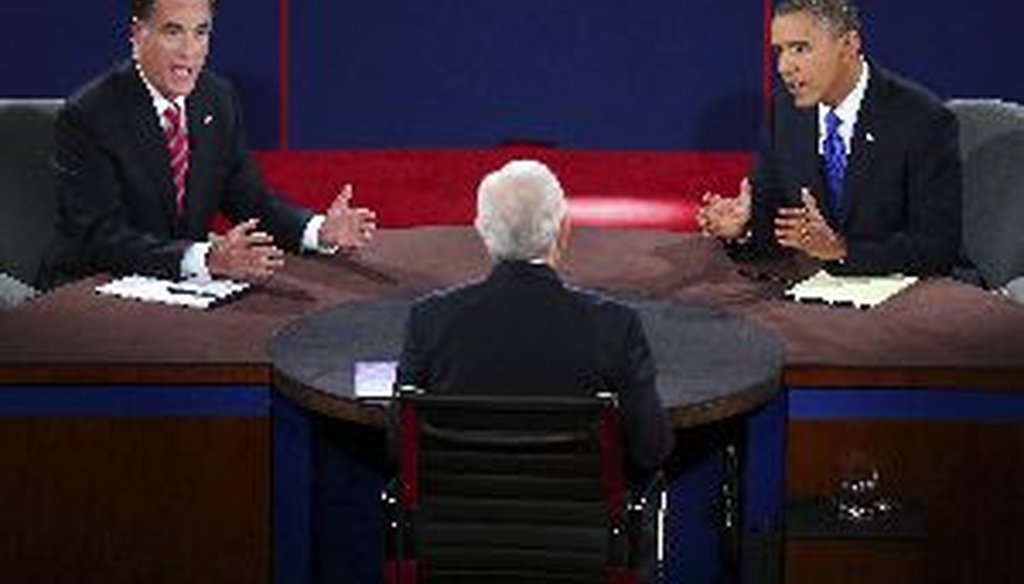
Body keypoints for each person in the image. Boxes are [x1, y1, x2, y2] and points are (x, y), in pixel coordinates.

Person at [40, 0, 376, 288]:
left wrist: (318, 231)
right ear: (137, 34)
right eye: (173, 31)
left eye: (200, 32)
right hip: (90, 288)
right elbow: (100, 237)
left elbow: (251, 201)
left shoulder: (216, 98)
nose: (189, 51)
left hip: (176, 287)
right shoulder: (90, 113)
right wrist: (205, 258)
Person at [395, 160, 673, 482]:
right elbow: (651, 448)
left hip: (454, 524)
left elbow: (398, 443)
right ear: (563, 229)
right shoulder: (615, 326)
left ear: (483, 231)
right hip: (579, 525)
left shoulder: (429, 320)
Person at [697, 0, 962, 276]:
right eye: (780, 51)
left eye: (800, 49)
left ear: (848, 45)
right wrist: (743, 227)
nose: (784, 67)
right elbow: (775, 223)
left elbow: (937, 249)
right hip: (815, 296)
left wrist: (842, 250)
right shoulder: (786, 113)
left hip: (900, 298)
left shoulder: (920, 119)